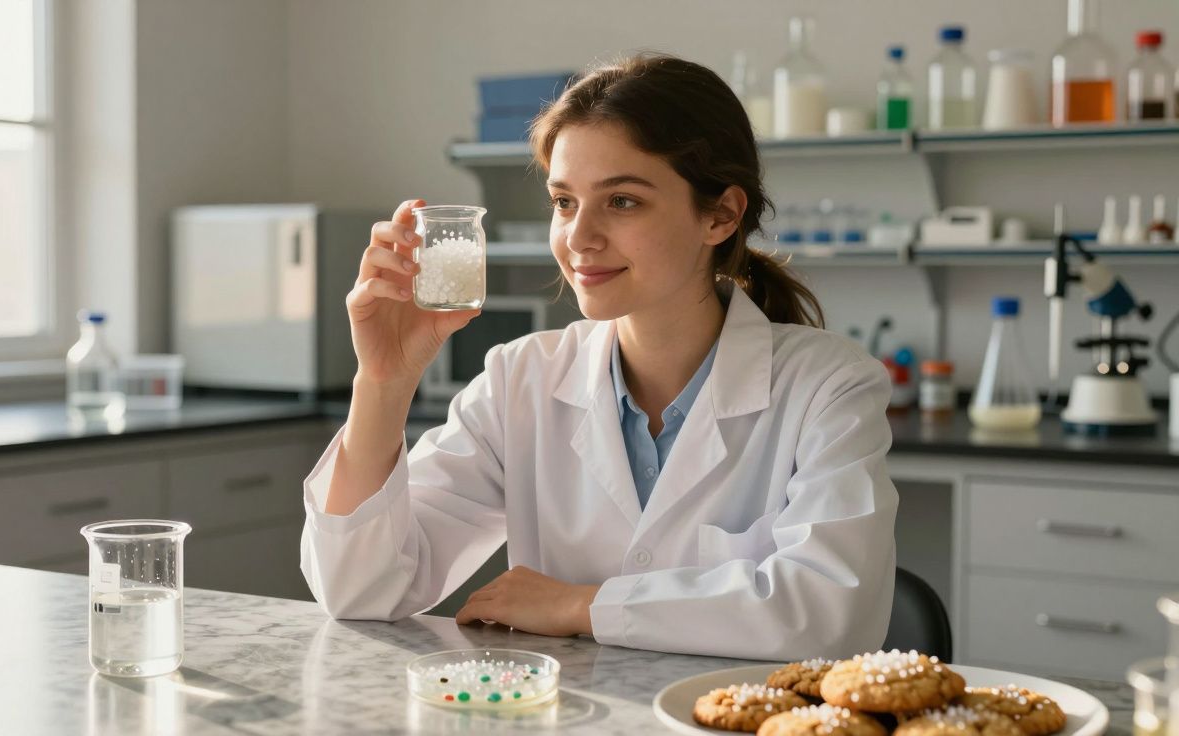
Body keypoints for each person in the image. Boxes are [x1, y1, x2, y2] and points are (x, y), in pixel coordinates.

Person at [300, 53, 898, 659]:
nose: (579, 237)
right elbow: (360, 591)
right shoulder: (521, 380)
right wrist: (382, 378)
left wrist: (580, 605)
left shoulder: (829, 386)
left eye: (622, 202)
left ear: (720, 215)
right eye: (564, 202)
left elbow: (831, 611)